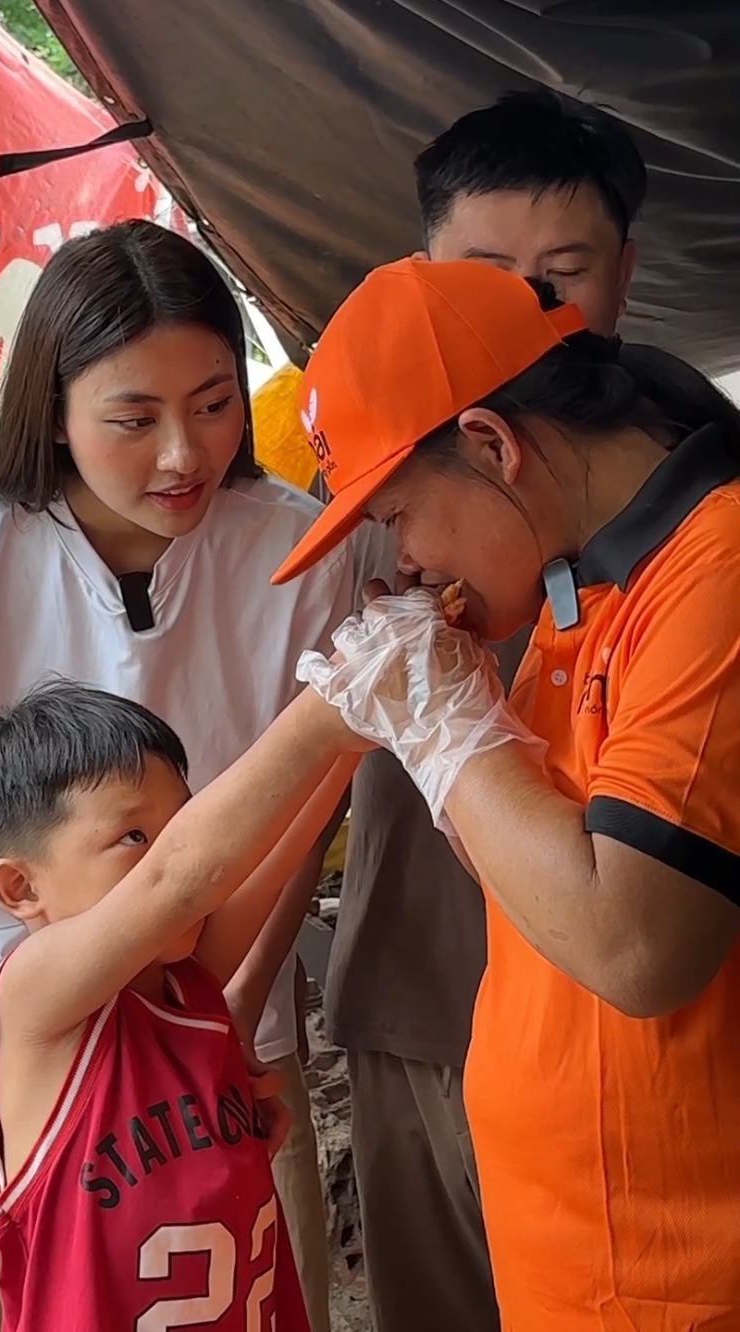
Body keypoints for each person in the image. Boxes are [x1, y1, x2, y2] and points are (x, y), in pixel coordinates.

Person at [0, 220, 383, 1332]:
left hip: (216, 1007)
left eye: (212, 404)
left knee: (240, 1280)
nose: (183, 457)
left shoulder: (298, 550)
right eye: (133, 419)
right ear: (51, 412)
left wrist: (234, 1009)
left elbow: (299, 815)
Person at [269, 255, 740, 1329]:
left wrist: (448, 731)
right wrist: (455, 721)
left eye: (399, 517)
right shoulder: (585, 583)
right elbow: (534, 879)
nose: (410, 561)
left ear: (490, 444)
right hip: (580, 1263)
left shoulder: (717, 573)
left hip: (681, 1284)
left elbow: (634, 946)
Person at [325, 90, 648, 1332]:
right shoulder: (372, 461)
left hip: (622, 1036)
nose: (520, 321)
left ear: (624, 272)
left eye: (560, 280)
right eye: (481, 278)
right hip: (425, 981)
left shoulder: (690, 479)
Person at [0, 680, 355, 1331]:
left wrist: (358, 731)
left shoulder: (183, 982)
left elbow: (274, 857)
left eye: (181, 824)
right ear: (19, 887)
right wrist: (338, 694)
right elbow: (178, 882)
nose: (170, 851)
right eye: (135, 836)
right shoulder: (33, 1000)